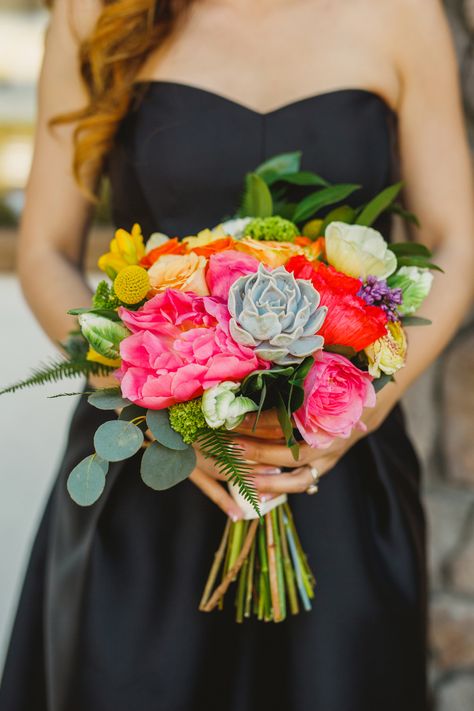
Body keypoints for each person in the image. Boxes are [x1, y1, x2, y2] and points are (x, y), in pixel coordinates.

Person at [1, 0, 473, 709]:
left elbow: (456, 242)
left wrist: (346, 417)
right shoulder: (94, 11)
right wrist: (163, 405)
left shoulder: (402, 13)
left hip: (336, 481)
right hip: (151, 478)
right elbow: (44, 252)